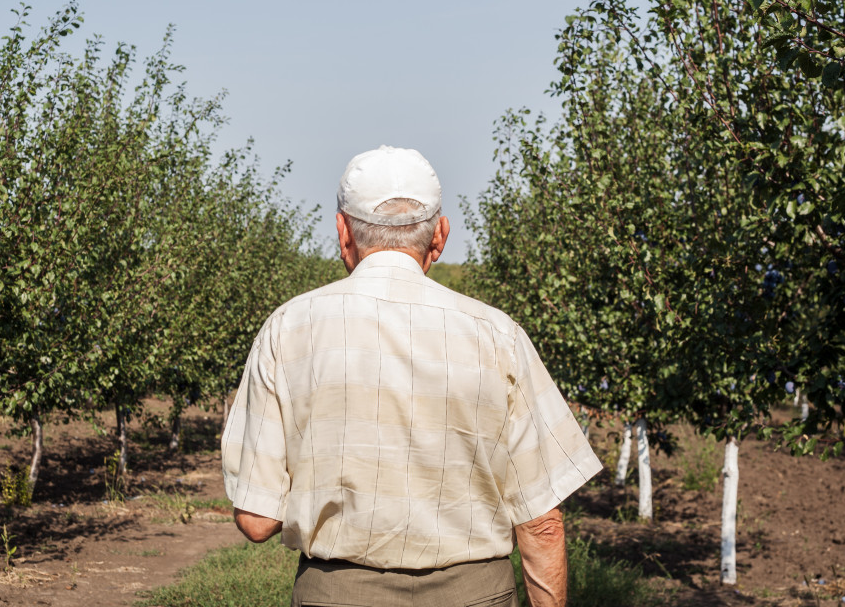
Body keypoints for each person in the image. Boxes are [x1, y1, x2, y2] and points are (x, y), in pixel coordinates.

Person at [222, 146, 602, 607]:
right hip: (475, 594)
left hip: (338, 595)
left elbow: (257, 521)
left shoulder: (288, 329)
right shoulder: (498, 335)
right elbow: (541, 520)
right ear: (439, 234)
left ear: (343, 232)